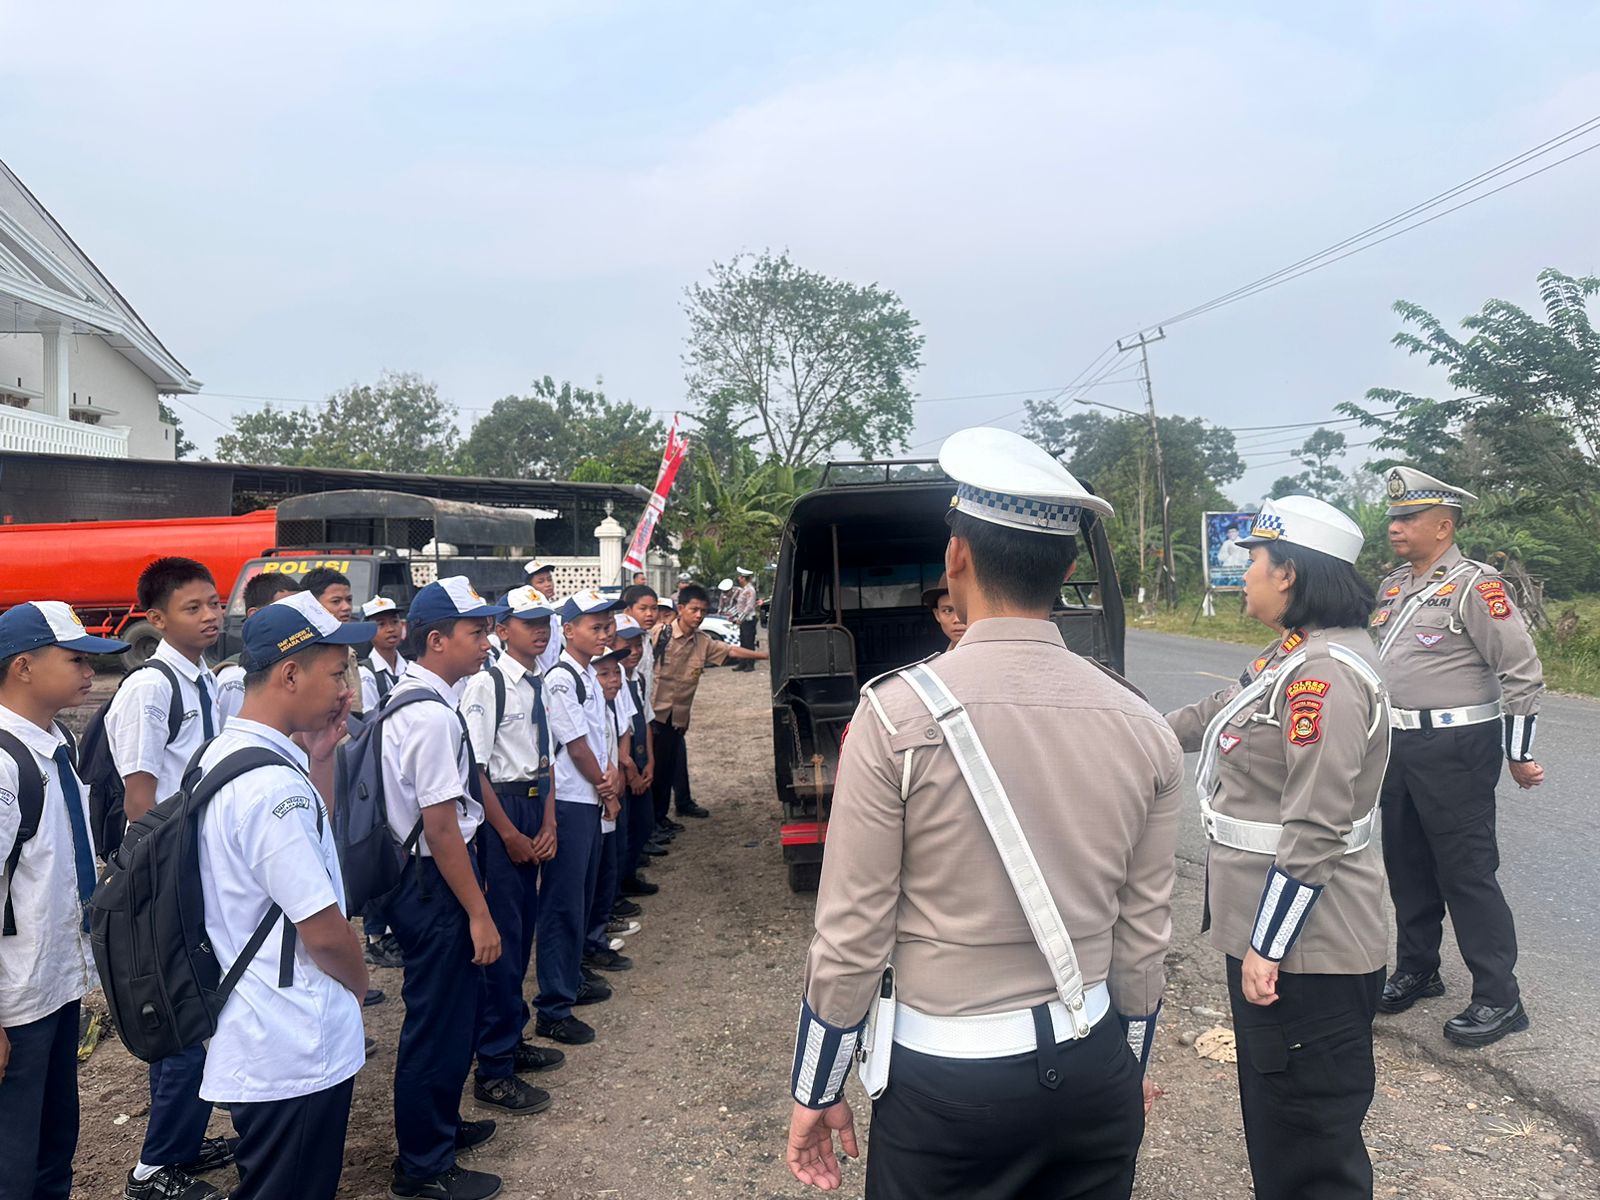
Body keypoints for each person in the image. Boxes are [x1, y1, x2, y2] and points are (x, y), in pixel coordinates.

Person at [785, 426, 1180, 1200]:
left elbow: (853, 933)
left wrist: (817, 1083)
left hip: (947, 1086)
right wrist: (1128, 1065)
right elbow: (1143, 939)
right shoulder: (1143, 723)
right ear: (1067, 569)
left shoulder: (895, 717)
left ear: (956, 559)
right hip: (1094, 1068)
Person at [1165, 496, 1391, 1200]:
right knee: (1280, 1125)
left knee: (1308, 1142)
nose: (1244, 578)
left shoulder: (1326, 678)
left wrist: (1267, 947)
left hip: (1307, 949)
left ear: (1288, 572)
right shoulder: (1291, 656)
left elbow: (1317, 825)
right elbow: (1210, 717)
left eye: (1253, 563)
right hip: (1280, 937)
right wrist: (1118, 726)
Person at [195, 592, 374, 1200]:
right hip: (292, 1040)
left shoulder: (231, 754)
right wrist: (359, 981)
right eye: (335, 671)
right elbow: (322, 930)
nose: (344, 687)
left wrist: (321, 757)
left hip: (263, 1026)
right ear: (291, 673)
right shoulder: (271, 786)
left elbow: (301, 851)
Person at [1370, 466, 1545, 1047]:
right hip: (1397, 744)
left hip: (1455, 748)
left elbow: (1520, 669)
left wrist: (1518, 753)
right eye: (1394, 517)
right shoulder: (1393, 586)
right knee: (1407, 864)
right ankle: (1418, 969)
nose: (1395, 526)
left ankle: (1499, 996)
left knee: (1466, 872)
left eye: (1408, 518)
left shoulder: (1477, 585)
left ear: (1443, 526)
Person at [106, 557, 236, 1200]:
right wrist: (170, 887)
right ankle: (155, 1167)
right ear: (155, 620)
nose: (211, 615)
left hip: (201, 867)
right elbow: (140, 800)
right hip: (168, 877)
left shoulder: (205, 680)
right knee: (182, 1016)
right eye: (194, 608)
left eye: (214, 603)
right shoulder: (150, 688)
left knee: (205, 1014)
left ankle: (181, 1143)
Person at [381, 577, 508, 1200]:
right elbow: (439, 826)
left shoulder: (424, 699)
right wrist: (480, 913)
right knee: (435, 1021)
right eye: (475, 632)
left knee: (454, 1014)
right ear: (436, 640)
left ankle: (441, 1126)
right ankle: (423, 1167)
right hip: (435, 881)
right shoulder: (428, 715)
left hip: (436, 877)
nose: (486, 643)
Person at [0, 603, 128, 1200]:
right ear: (23, 667)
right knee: (12, 1162)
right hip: (15, 1004)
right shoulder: (4, 763)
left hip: (57, 985)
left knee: (55, 1149)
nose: (88, 672)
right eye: (75, 659)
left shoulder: (58, 743)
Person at [459, 586, 568, 1114]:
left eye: (544, 620)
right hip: (499, 811)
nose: (540, 630)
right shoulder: (487, 684)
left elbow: (544, 760)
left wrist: (547, 820)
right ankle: (494, 1068)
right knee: (501, 942)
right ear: (503, 629)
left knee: (522, 930)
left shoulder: (538, 681)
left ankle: (513, 1037)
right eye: (528, 622)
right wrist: (506, 833)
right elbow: (476, 770)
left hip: (530, 804)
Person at [533, 590, 622, 1047]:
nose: (604, 633)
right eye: (595, 626)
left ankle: (571, 978)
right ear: (568, 631)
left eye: (607, 625)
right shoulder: (562, 679)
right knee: (563, 905)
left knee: (581, 898)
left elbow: (600, 738)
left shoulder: (587, 673)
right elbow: (576, 744)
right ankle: (553, 1006)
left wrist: (607, 784)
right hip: (571, 798)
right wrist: (607, 786)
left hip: (588, 797)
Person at [646, 584, 767, 825]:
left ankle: (661, 818)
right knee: (652, 772)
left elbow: (731, 651)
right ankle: (651, 824)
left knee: (668, 769)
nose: (699, 615)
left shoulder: (703, 642)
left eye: (703, 611)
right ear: (681, 609)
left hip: (678, 717)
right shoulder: (660, 634)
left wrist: (765, 655)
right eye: (693, 610)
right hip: (653, 717)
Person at [584, 641, 640, 976]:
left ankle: (596, 936)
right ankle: (589, 944)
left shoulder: (606, 706)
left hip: (605, 797)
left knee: (606, 869)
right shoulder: (585, 704)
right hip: (591, 799)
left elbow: (619, 738)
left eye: (615, 673)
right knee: (589, 880)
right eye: (603, 674)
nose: (613, 680)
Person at [215, 573, 301, 724]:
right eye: (287, 609)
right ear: (255, 615)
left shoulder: (289, 666)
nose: (297, 618)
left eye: (300, 610)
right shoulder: (236, 678)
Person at [301, 568, 365, 717]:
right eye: (336, 601)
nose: (347, 607)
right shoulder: (305, 652)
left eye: (349, 600)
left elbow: (355, 709)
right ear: (312, 605)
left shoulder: (347, 650)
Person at [358, 596, 409, 713]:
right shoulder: (366, 674)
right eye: (381, 624)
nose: (390, 629)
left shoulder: (412, 668)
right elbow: (370, 718)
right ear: (368, 631)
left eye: (395, 622)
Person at [920, 573, 966, 651]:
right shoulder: (936, 662)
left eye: (965, 610)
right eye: (947, 611)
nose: (957, 619)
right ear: (937, 615)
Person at [732, 569, 759, 671]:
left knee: (749, 643)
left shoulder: (750, 590)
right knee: (743, 642)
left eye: (740, 577)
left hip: (748, 619)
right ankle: (742, 663)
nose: (738, 578)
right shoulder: (743, 589)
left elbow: (749, 606)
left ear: (743, 578)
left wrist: (740, 618)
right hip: (743, 620)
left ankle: (750, 664)